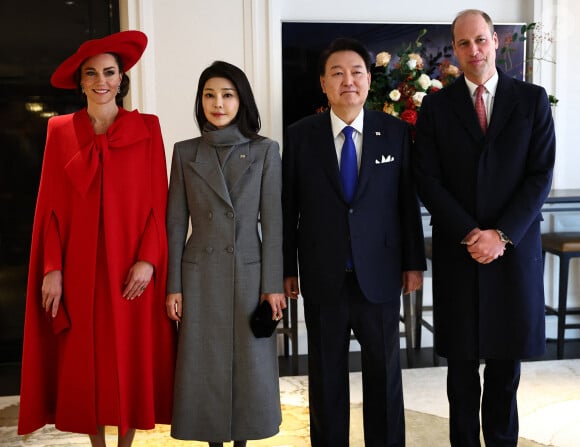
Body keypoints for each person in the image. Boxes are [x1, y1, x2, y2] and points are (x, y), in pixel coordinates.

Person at [17, 31, 176, 447]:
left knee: (128, 356)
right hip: (80, 268)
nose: (101, 80)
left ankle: (125, 445)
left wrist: (149, 259)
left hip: (130, 266)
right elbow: (49, 208)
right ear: (81, 81)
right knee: (86, 361)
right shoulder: (60, 131)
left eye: (109, 72)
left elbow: (158, 201)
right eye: (92, 74)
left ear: (122, 79)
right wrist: (52, 268)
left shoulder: (147, 127)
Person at [413, 9, 556, 446]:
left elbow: (540, 176)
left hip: (512, 253)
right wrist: (473, 234)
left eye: (480, 40)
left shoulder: (531, 100)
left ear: (495, 41)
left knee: (503, 372)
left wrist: (502, 235)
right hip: (461, 252)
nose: (472, 50)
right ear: (453, 50)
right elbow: (427, 178)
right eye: (462, 43)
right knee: (460, 374)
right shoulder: (437, 105)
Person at [282, 37, 426, 446]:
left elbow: (405, 203)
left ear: (368, 80)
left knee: (384, 376)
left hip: (379, 276)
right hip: (323, 274)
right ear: (323, 84)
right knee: (326, 378)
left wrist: (413, 262)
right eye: (338, 73)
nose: (348, 80)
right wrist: (286, 268)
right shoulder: (300, 136)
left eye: (357, 72)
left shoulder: (394, 132)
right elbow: (287, 207)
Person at [165, 61, 286, 447]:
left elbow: (275, 223)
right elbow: (173, 225)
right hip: (199, 274)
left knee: (249, 365)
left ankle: (242, 440)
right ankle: (212, 440)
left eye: (227, 95)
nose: (218, 103)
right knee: (204, 364)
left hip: (249, 273)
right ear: (200, 102)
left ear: (241, 101)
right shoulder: (184, 152)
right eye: (210, 95)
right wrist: (173, 286)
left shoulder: (266, 150)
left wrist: (272, 285)